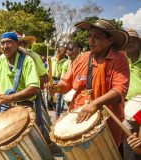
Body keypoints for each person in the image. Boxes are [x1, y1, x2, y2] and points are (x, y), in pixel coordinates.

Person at [50, 19, 130, 155]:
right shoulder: (81, 58)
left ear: (110, 40)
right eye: (89, 36)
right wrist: (57, 87)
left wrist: (95, 104)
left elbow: (119, 90)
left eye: (97, 37)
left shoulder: (119, 59)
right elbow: (66, 83)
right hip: (78, 118)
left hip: (108, 124)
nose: (91, 41)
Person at [123, 29, 141, 160]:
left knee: (139, 143)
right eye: (128, 40)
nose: (131, 42)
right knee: (128, 142)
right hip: (125, 106)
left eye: (134, 39)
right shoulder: (119, 60)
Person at [49, 45, 67, 119]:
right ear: (59, 52)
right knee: (50, 98)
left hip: (59, 80)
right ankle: (52, 106)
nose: (65, 53)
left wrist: (62, 76)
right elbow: (48, 69)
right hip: (51, 80)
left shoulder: (65, 61)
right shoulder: (51, 59)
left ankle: (57, 114)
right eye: (64, 52)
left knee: (58, 98)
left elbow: (64, 72)